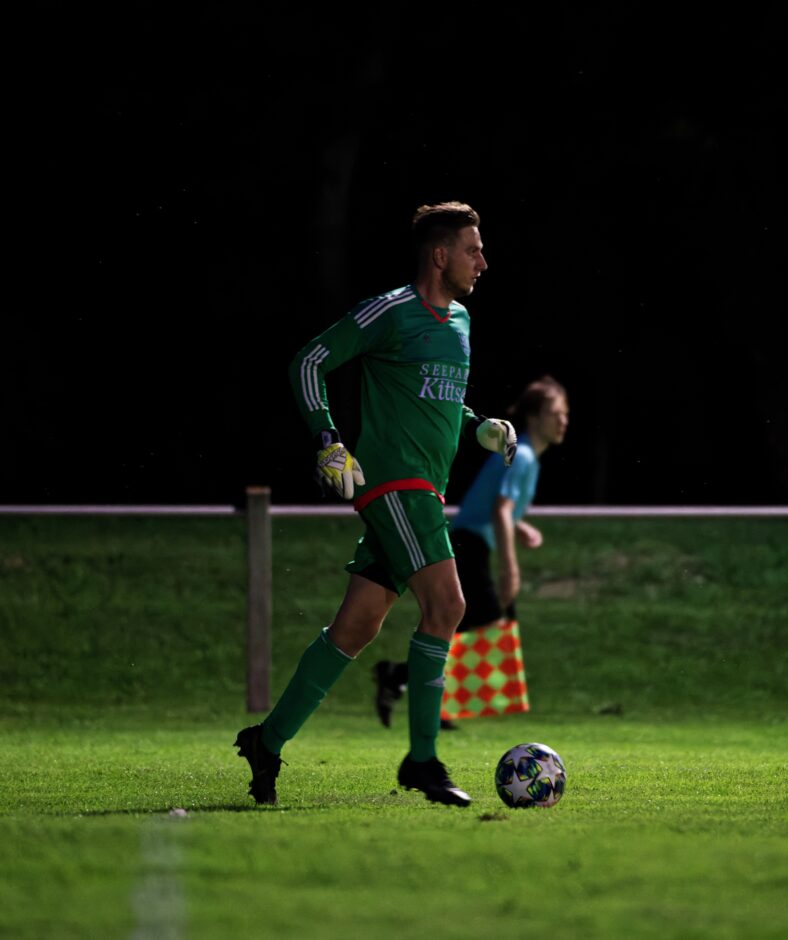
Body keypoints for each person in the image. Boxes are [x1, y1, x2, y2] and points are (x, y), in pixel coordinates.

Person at [233, 201, 517, 808]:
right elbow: (308, 360)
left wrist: (479, 428)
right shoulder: (390, 311)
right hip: (393, 486)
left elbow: (435, 403)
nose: (483, 261)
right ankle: (421, 761)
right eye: (473, 249)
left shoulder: (461, 322)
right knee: (448, 604)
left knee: (356, 627)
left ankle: (268, 739)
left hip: (424, 491)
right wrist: (327, 439)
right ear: (441, 255)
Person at [373, 375, 569, 729]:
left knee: (468, 628)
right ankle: (413, 685)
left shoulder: (526, 456)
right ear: (536, 416)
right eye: (557, 412)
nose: (563, 420)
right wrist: (511, 569)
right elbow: (499, 510)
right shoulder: (522, 455)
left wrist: (519, 527)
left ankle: (413, 686)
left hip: (470, 542)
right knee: (486, 625)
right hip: (468, 545)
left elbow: (496, 508)